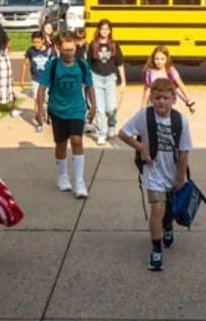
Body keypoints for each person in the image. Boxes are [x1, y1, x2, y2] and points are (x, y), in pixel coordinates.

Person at [118, 77, 193, 272]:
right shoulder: (144, 116)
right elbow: (123, 133)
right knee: (157, 208)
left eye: (166, 98)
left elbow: (184, 151)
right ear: (151, 98)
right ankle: (156, 249)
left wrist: (180, 177)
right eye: (157, 97)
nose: (161, 101)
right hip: (153, 171)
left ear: (174, 99)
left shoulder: (180, 121)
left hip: (173, 171)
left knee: (168, 209)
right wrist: (141, 147)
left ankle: (168, 227)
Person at [36, 33, 96, 199]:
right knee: (61, 144)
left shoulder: (82, 65)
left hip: (77, 109)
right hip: (57, 110)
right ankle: (63, 176)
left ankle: (79, 181)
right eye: (66, 50)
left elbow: (89, 86)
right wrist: (39, 110)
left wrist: (94, 106)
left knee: (77, 140)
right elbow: (42, 88)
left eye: (72, 49)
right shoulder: (53, 66)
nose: (69, 53)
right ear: (58, 49)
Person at [88, 18, 127, 145]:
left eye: (107, 29)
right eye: (102, 29)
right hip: (96, 78)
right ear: (98, 30)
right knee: (99, 108)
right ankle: (101, 133)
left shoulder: (114, 45)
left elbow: (120, 64)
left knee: (110, 108)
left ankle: (111, 124)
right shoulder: (93, 45)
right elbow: (88, 64)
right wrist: (87, 80)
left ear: (110, 31)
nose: (104, 31)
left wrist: (123, 81)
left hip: (110, 77)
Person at [141, 45, 195, 113]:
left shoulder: (170, 71)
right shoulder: (149, 72)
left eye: (162, 59)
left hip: (167, 105)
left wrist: (189, 101)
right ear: (153, 59)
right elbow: (147, 90)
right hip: (154, 105)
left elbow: (181, 86)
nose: (159, 62)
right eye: (156, 59)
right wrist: (142, 108)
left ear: (167, 59)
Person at [21, 30, 56, 133]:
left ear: (43, 40)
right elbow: (25, 64)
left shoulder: (50, 51)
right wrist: (22, 79)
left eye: (38, 42)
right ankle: (39, 122)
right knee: (37, 99)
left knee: (49, 100)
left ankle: (49, 114)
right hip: (36, 79)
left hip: (48, 80)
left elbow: (54, 65)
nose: (36, 44)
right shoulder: (31, 51)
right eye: (34, 42)